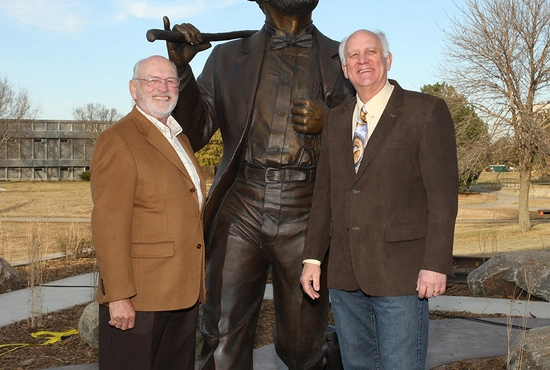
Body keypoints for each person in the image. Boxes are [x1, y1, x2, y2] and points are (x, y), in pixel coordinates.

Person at [163, 0, 354, 368]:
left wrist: (331, 121)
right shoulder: (226, 57)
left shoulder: (343, 59)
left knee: (303, 346)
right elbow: (196, 131)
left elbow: (368, 136)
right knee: (221, 337)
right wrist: (181, 70)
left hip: (308, 210)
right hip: (241, 205)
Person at [300, 29, 458, 370]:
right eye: (353, 56)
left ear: (387, 59)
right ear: (345, 69)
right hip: (344, 275)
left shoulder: (426, 111)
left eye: (370, 52)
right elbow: (325, 194)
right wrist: (313, 257)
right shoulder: (337, 119)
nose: (362, 60)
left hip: (401, 275)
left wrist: (435, 263)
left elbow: (443, 198)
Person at [90, 55, 206, 370]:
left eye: (170, 81)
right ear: (134, 88)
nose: (164, 88)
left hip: (181, 292)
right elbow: (109, 225)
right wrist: (118, 296)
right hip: (140, 297)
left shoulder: (179, 138)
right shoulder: (118, 140)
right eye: (153, 80)